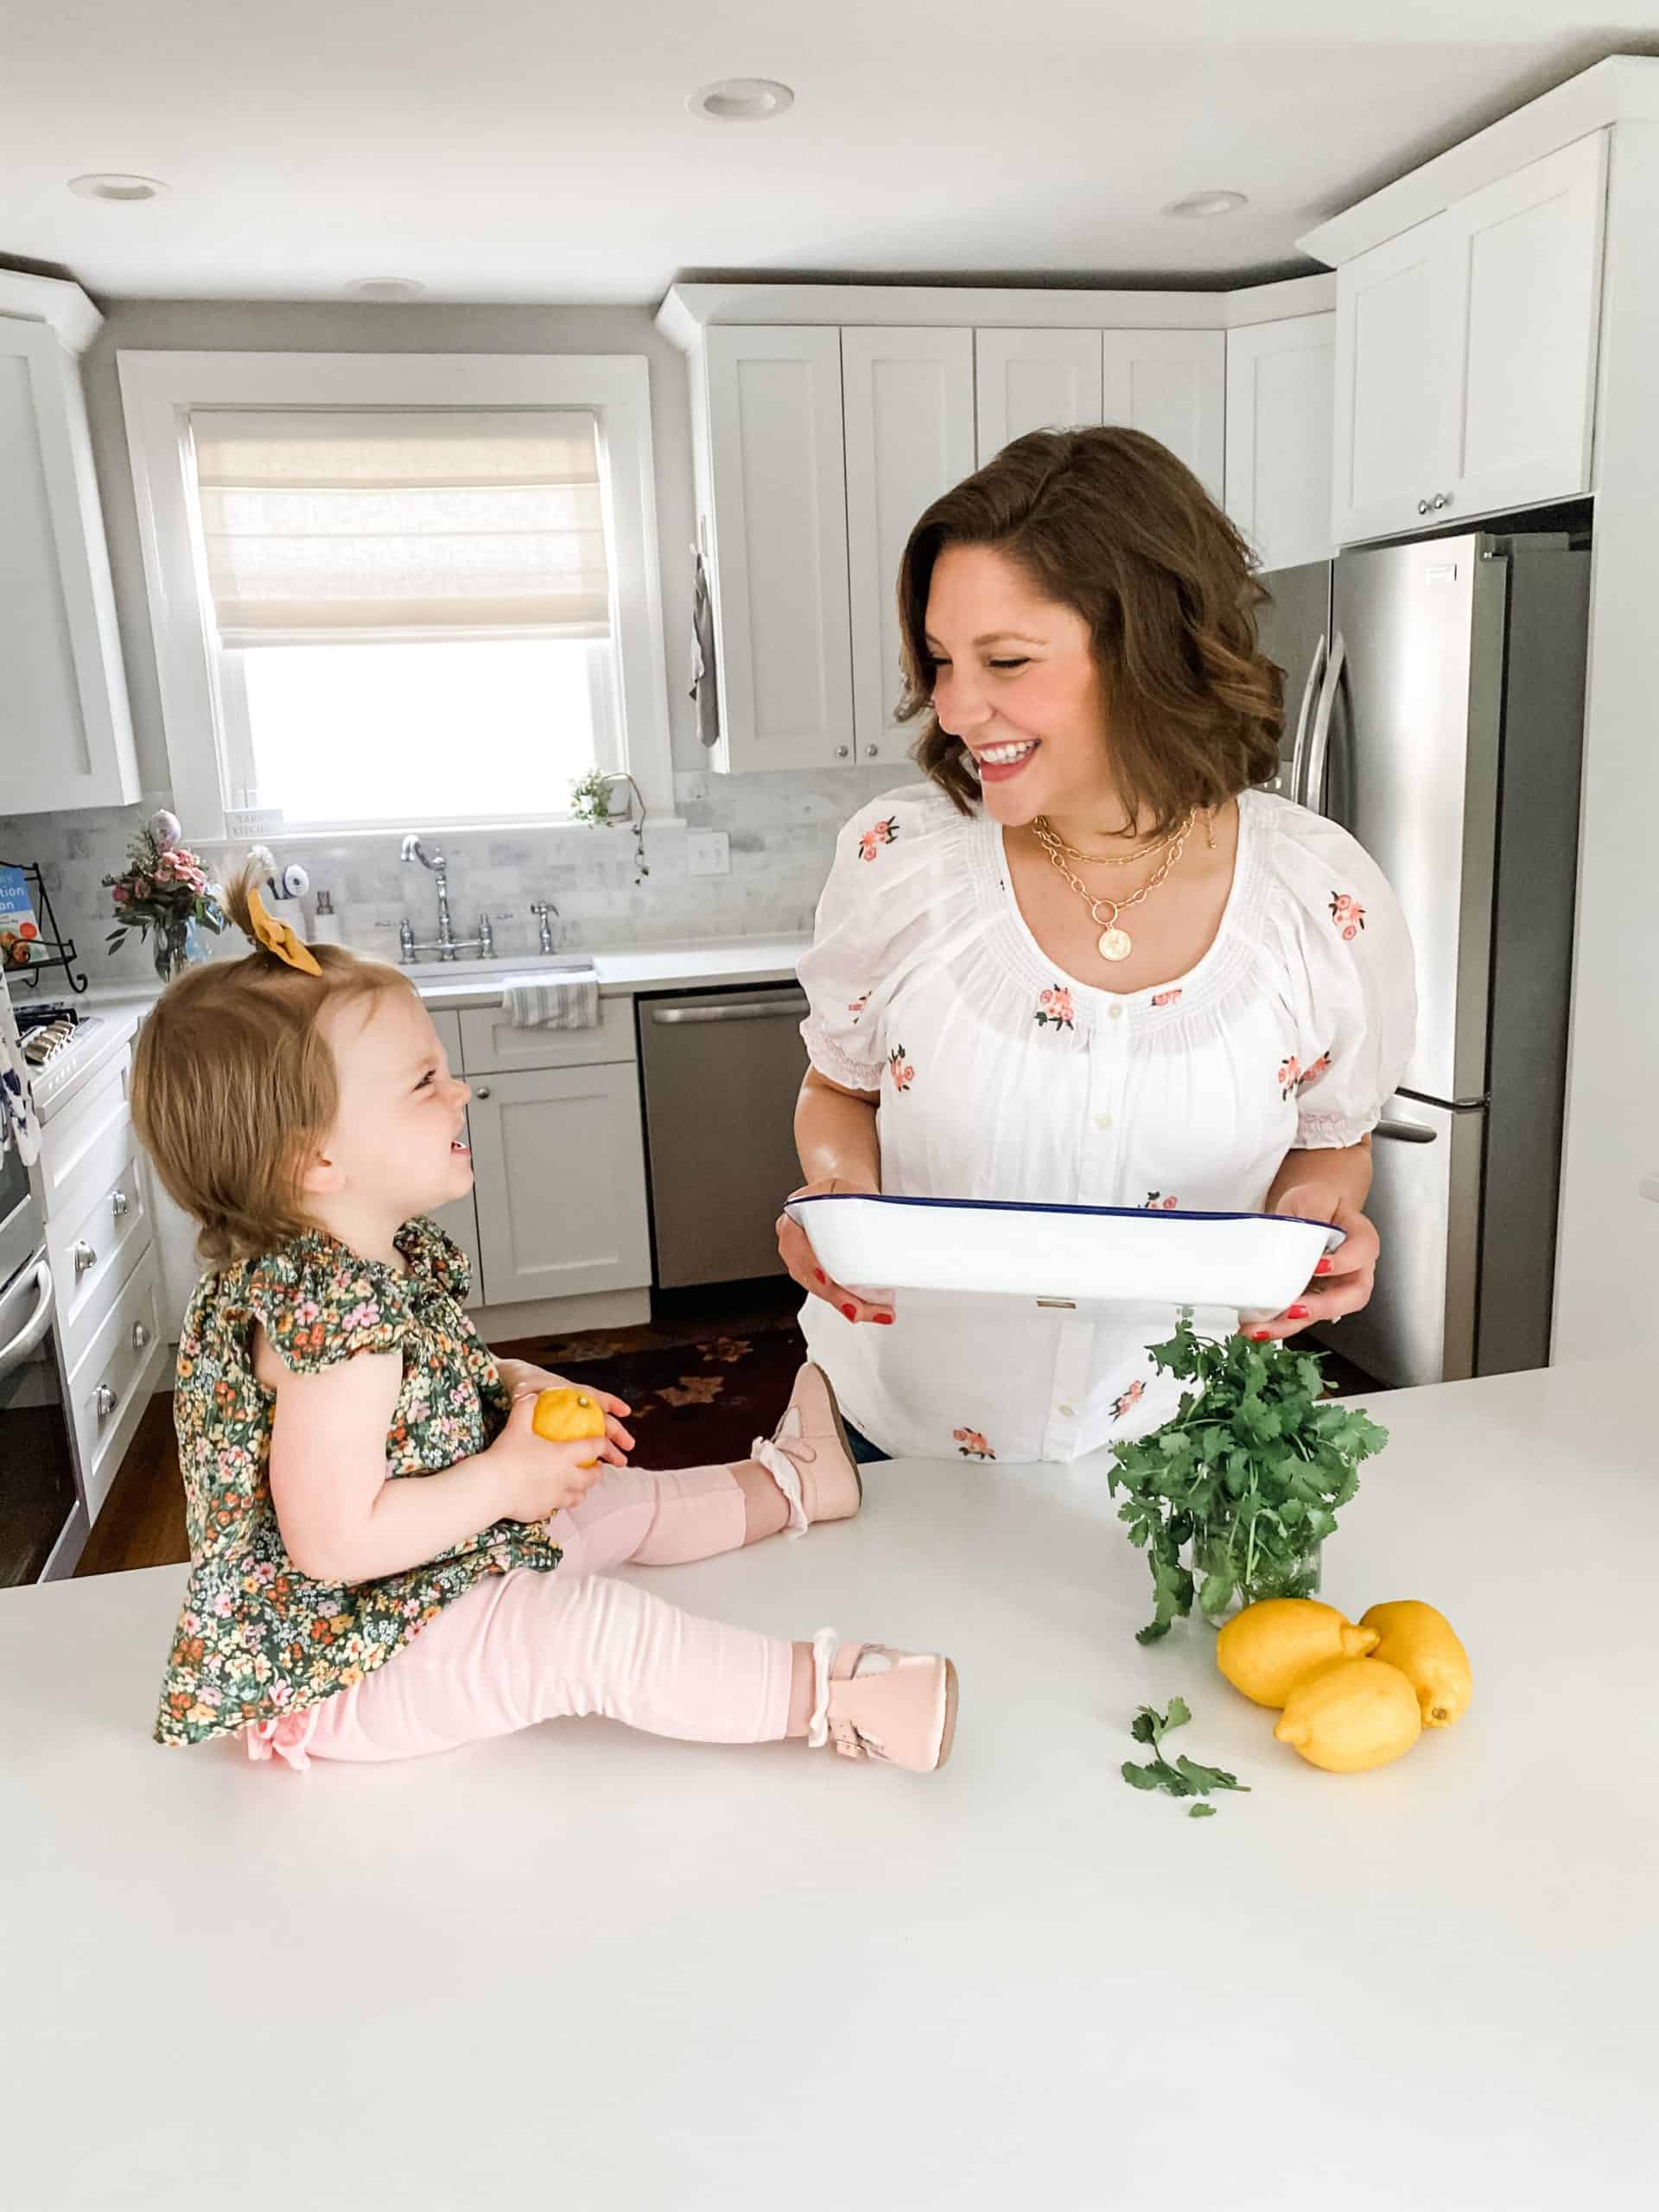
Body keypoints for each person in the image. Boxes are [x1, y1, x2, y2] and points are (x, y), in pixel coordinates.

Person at [129, 868, 957, 1774]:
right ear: (316, 1157)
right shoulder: (326, 1325)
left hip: (407, 1587)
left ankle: (797, 1484)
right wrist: (504, 1479)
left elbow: (415, 1390)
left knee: (602, 1499)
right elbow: (335, 1543)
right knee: (580, 1633)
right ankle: (839, 1698)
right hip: (344, 1666)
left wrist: (513, 1385)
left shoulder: (357, 1267)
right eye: (422, 1082)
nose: (460, 1091)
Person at [777, 427, 1415, 1466]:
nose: (954, 706)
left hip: (1190, 1448)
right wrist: (840, 1201)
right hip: (897, 1439)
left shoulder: (1321, 896)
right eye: (941, 660)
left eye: (1007, 662)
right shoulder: (903, 860)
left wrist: (1313, 1222)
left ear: (1148, 650)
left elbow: (1330, 1136)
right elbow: (836, 1086)